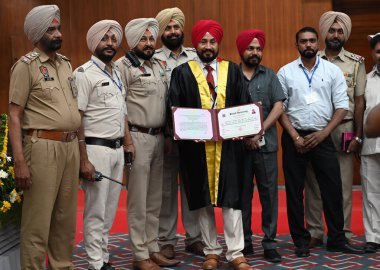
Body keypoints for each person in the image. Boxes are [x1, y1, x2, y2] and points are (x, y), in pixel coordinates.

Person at [169, 19, 253, 270]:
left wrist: (242, 129)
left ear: (218, 44)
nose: (208, 46)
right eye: (203, 41)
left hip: (229, 147)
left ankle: (236, 252)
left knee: (231, 200)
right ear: (196, 44)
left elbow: (244, 105)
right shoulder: (182, 72)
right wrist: (184, 132)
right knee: (203, 198)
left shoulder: (232, 70)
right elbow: (174, 109)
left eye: (212, 41)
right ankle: (211, 250)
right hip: (196, 147)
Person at [277, 26, 364, 257]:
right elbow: (280, 109)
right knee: (295, 192)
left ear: (318, 43)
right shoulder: (285, 72)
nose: (308, 45)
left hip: (323, 136)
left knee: (332, 188)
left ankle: (337, 238)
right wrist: (295, 136)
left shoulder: (331, 71)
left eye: (312, 41)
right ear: (297, 45)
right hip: (294, 138)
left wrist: (323, 134)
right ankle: (301, 241)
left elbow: (342, 106)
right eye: (303, 41)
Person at [8, 5, 81, 269]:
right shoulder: (25, 67)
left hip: (70, 147)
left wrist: (82, 154)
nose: (58, 33)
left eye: (58, 28)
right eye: (51, 30)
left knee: (65, 219)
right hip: (42, 149)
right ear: (38, 34)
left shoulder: (66, 64)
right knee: (38, 222)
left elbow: (74, 111)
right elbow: (14, 115)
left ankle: (62, 266)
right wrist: (20, 161)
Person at [116, 18, 180, 270]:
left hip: (157, 137)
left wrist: (166, 135)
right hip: (137, 137)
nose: (148, 42)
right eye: (143, 39)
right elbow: (119, 106)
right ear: (132, 41)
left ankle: (153, 247)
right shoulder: (123, 66)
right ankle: (139, 254)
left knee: (156, 199)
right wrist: (127, 140)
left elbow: (163, 104)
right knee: (138, 201)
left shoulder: (158, 66)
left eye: (151, 38)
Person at [74, 20, 134, 270]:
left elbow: (122, 112)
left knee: (109, 210)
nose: (110, 43)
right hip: (95, 149)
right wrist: (84, 159)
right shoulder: (84, 73)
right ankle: (95, 263)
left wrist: (128, 143)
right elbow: (77, 118)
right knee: (96, 211)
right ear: (93, 42)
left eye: (113, 39)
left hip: (117, 149)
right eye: (104, 38)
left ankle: (104, 256)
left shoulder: (117, 73)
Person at [304, 11, 366, 248]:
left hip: (344, 129)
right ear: (324, 32)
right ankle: (315, 231)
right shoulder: (312, 58)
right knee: (313, 182)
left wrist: (358, 136)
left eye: (340, 31)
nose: (336, 35)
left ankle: (344, 231)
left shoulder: (356, 62)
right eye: (332, 30)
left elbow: (359, 102)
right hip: (317, 129)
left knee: (343, 184)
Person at [154, 7, 204, 259]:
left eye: (176, 27)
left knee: (192, 185)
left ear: (182, 30)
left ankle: (195, 237)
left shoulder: (196, 57)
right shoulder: (152, 59)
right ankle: (166, 240)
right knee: (165, 189)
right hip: (163, 134)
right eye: (168, 28)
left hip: (193, 133)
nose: (173, 32)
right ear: (161, 32)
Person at [236, 29, 285, 263]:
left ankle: (270, 243)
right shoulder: (231, 75)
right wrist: (245, 137)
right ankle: (244, 242)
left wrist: (259, 130)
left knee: (269, 196)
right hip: (239, 148)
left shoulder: (270, 75)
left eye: (258, 48)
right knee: (242, 196)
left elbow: (278, 106)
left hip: (266, 146)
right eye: (250, 48)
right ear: (241, 50)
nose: (255, 52)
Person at [361, 32, 380, 253]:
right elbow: (359, 111)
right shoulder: (366, 80)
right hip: (370, 144)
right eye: (378, 50)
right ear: (373, 54)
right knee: (371, 192)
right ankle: (373, 237)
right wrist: (357, 138)